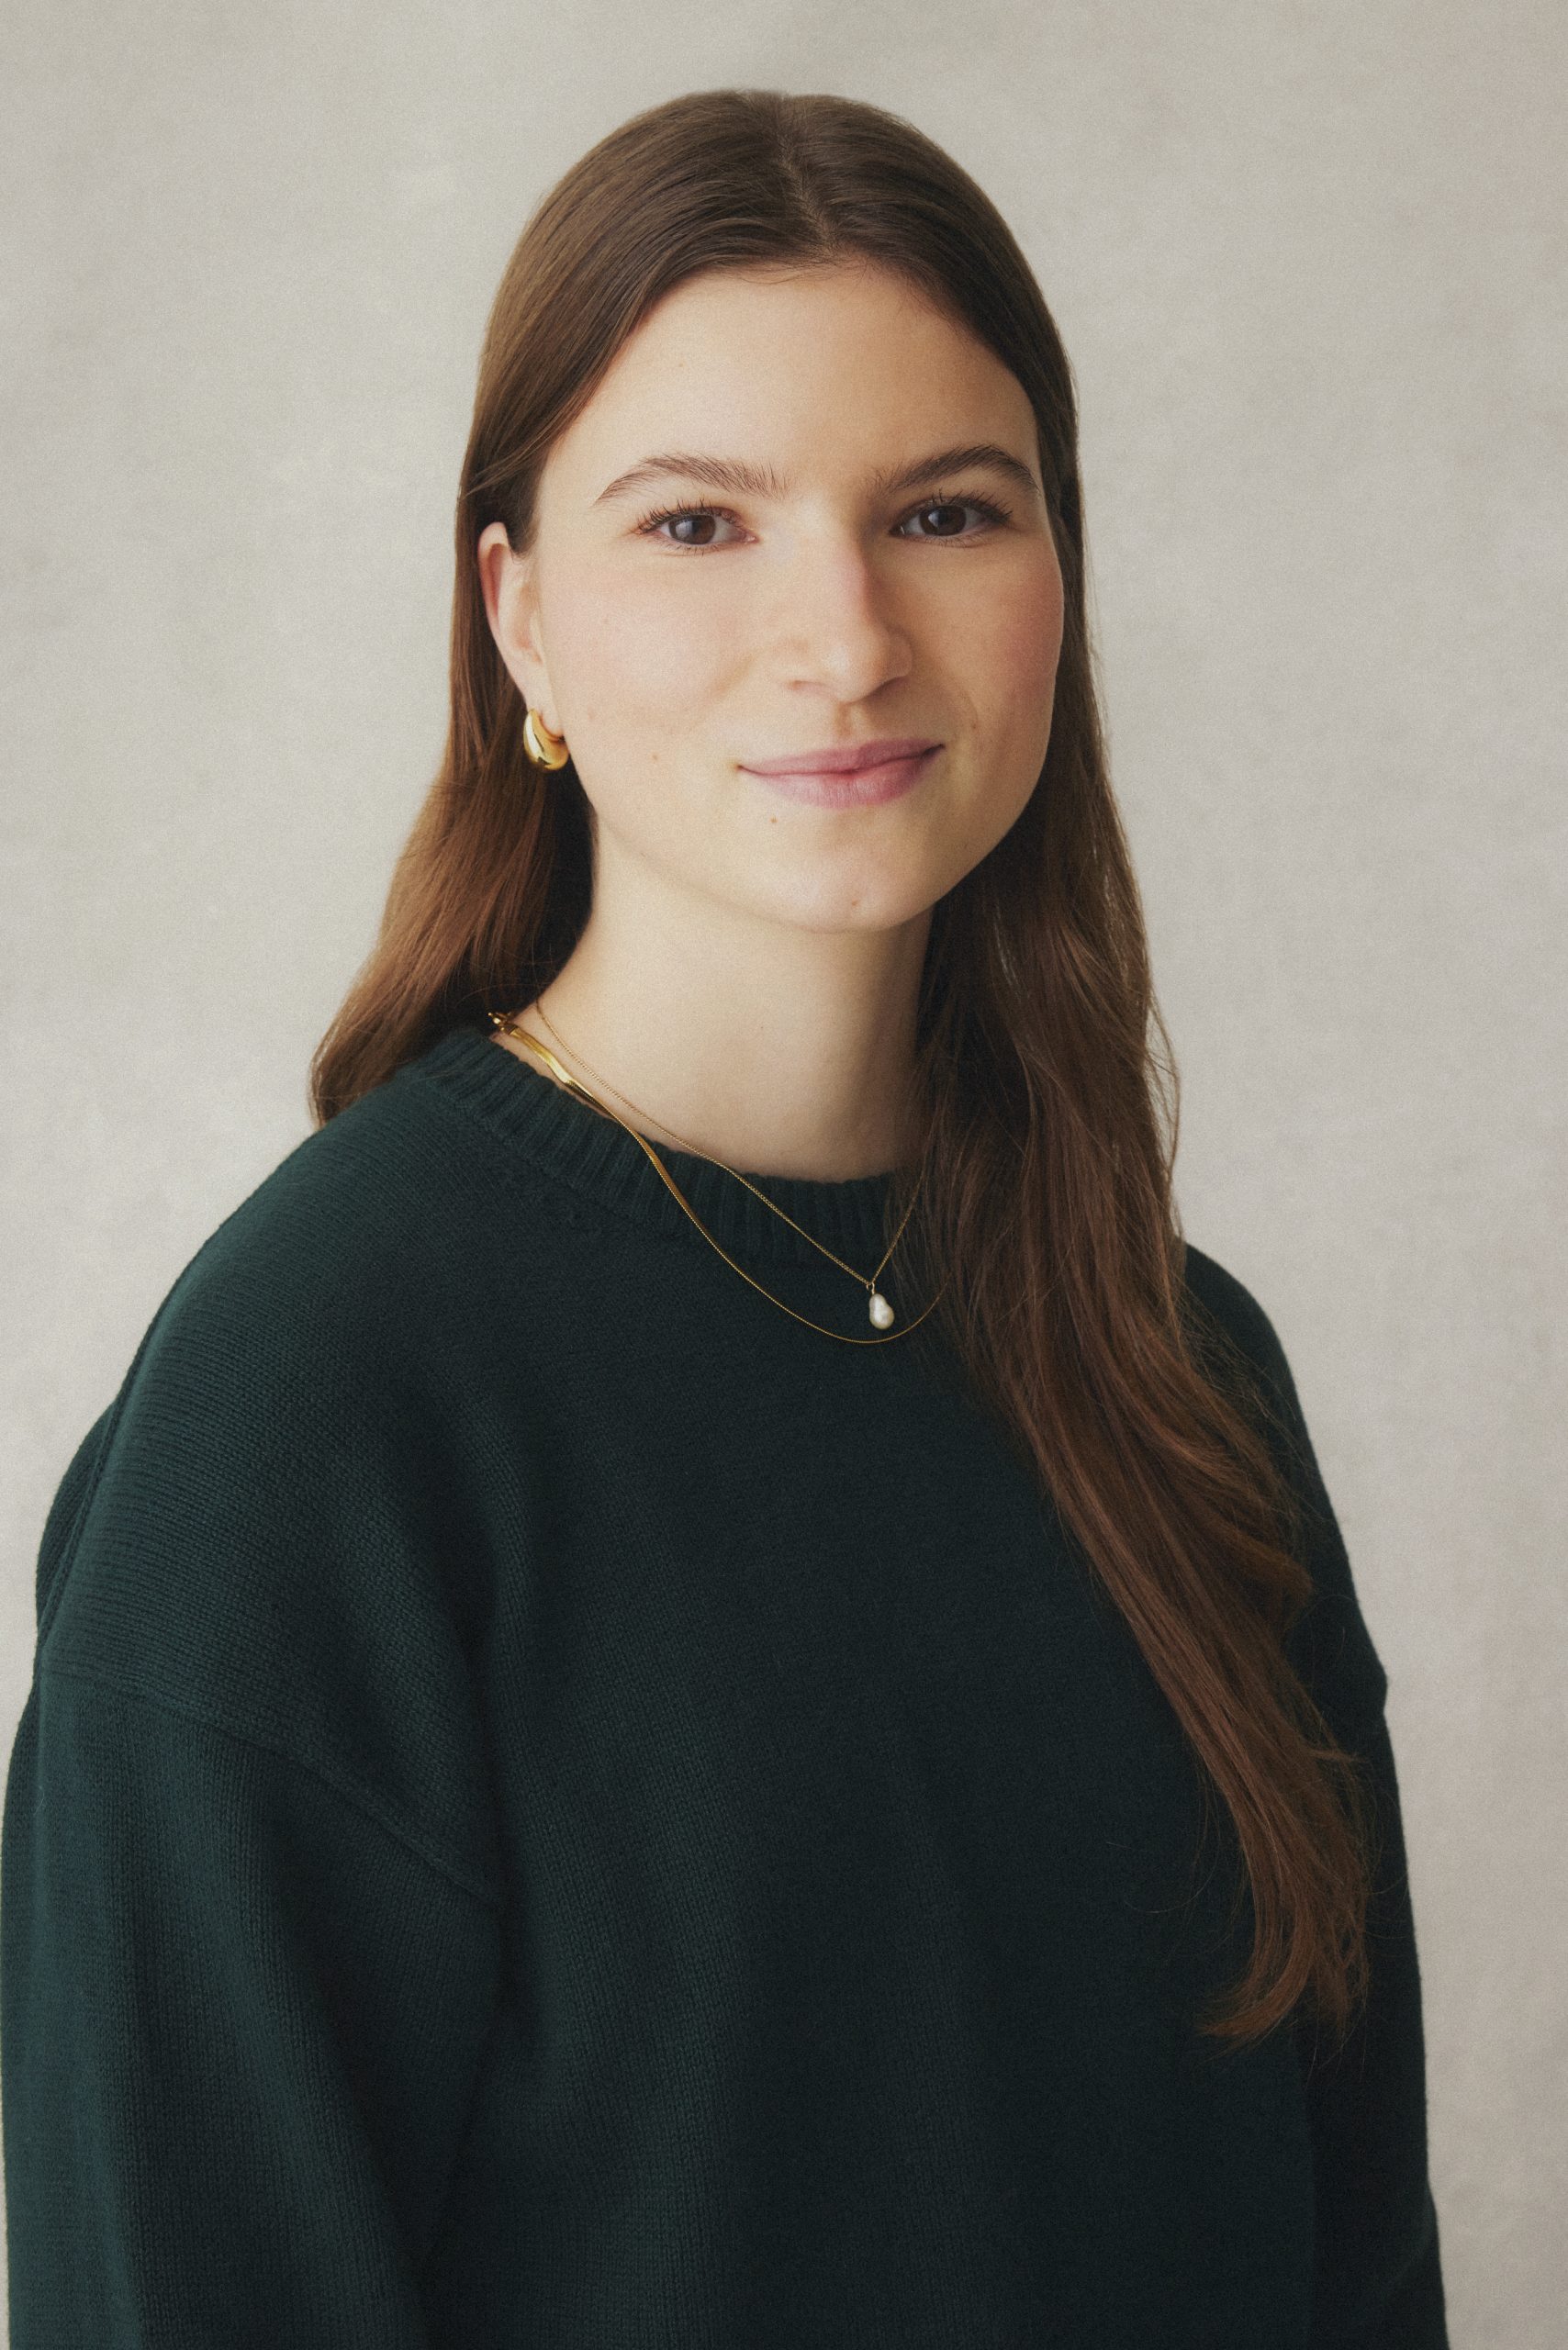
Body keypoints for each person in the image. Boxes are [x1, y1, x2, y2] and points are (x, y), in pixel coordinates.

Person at [0, 86, 1448, 2348]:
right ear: (522, 625)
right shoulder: (309, 1420)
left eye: (943, 510)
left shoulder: (1180, 1371)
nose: (845, 635)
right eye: (696, 524)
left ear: (1054, 569)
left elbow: (1356, 2270)